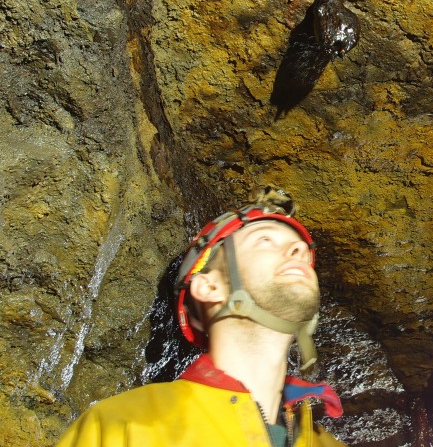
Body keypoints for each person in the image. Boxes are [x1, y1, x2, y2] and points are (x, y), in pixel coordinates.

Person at [57, 186, 346, 446]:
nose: (297, 250)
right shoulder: (122, 427)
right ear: (209, 286)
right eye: (265, 240)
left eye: (300, 252)